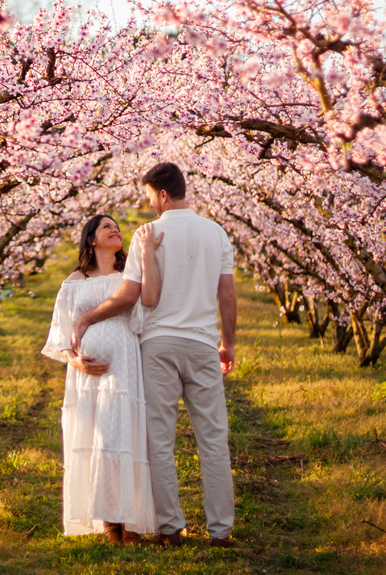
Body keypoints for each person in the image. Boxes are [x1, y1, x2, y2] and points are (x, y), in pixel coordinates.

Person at [73, 162, 238, 548]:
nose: (149, 205)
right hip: (201, 343)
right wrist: (227, 343)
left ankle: (170, 528)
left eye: (149, 197)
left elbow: (130, 296)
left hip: (158, 346)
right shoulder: (215, 233)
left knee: (159, 441)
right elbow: (226, 294)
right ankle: (221, 531)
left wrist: (87, 317)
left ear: (163, 194)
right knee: (214, 439)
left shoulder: (149, 234)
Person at [41, 214, 163, 543]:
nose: (115, 230)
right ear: (92, 239)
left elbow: (147, 307)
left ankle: (131, 521)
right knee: (99, 442)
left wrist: (148, 253)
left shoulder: (129, 274)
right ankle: (110, 522)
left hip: (124, 367)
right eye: (106, 226)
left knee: (123, 439)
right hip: (87, 378)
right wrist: (75, 362)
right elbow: (60, 333)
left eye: (117, 226)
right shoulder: (75, 279)